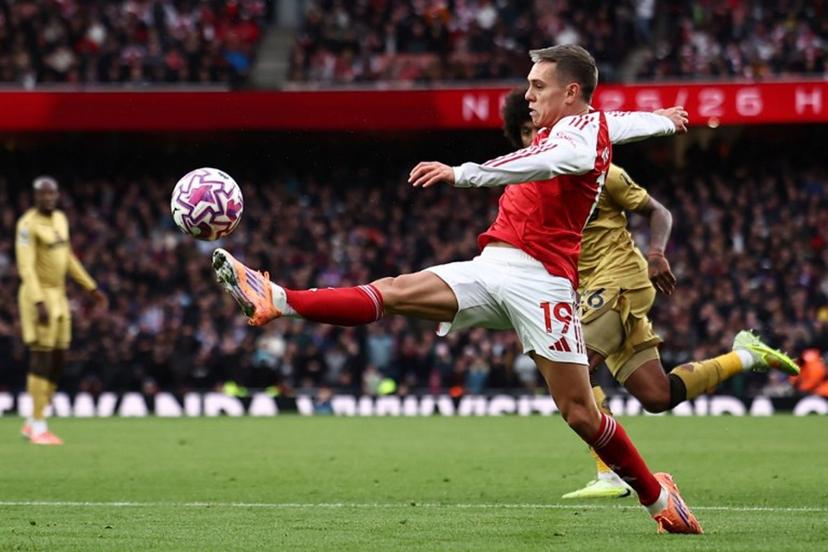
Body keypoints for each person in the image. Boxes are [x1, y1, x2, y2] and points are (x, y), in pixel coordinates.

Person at [212, 45, 702, 534]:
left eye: (538, 86)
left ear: (570, 92)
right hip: (495, 265)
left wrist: (460, 173)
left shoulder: (570, 145)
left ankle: (660, 497)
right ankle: (278, 300)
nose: (528, 95)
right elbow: (619, 122)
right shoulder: (589, 124)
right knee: (396, 290)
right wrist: (662, 120)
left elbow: (534, 164)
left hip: (545, 285)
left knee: (580, 414)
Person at [500, 88, 800, 499]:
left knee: (575, 365)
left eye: (536, 127)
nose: (532, 137)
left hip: (620, 280)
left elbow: (659, 210)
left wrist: (656, 253)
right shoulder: (529, 184)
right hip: (587, 291)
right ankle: (746, 354)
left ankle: (610, 474)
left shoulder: (597, 169)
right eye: (524, 132)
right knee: (658, 395)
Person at [16, 176, 107, 445]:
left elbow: (67, 258)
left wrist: (90, 287)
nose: (49, 198)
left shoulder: (60, 220)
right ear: (35, 196)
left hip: (59, 295)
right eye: (43, 194)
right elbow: (26, 267)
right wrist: (37, 300)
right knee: (40, 357)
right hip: (39, 294)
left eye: (52, 194)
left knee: (59, 357)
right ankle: (38, 424)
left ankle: (35, 420)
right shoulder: (27, 225)